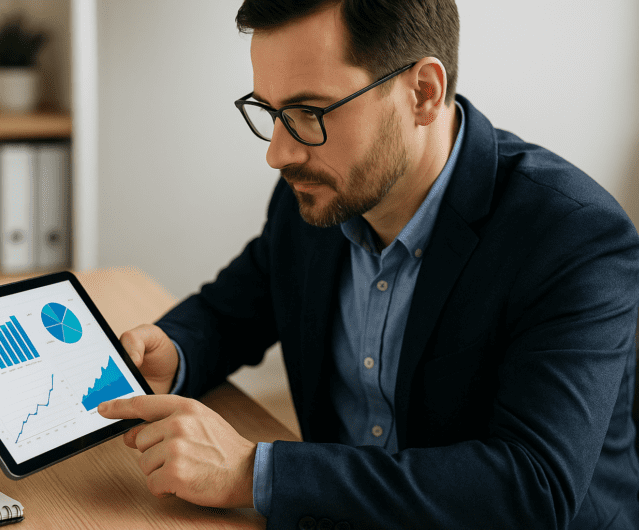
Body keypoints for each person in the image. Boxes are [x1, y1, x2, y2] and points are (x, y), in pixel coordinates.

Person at [98, 1, 639, 528]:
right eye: (272, 112)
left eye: (310, 112)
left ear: (424, 93)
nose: (279, 153)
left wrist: (253, 472)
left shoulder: (574, 237)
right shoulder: (320, 190)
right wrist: (178, 351)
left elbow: (532, 488)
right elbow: (240, 303)